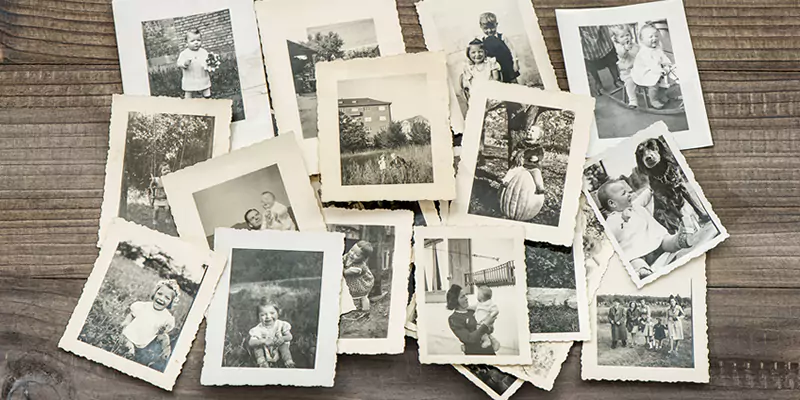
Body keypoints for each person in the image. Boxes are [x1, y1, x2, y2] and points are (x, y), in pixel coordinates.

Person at [596, 179, 692, 277]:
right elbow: (613, 233)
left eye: (628, 191)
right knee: (636, 262)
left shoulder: (634, 206)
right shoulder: (613, 220)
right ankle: (643, 270)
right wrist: (623, 219)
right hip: (637, 254)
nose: (629, 194)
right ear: (612, 203)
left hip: (656, 243)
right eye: (624, 193)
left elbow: (644, 198)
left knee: (666, 241)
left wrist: (651, 189)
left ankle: (679, 240)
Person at [120, 279, 178, 370]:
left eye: (167, 298)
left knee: (165, 338)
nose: (161, 298)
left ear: (171, 302)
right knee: (129, 348)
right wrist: (126, 322)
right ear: (154, 293)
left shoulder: (167, 317)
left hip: (146, 342)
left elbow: (164, 332)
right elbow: (131, 314)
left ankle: (164, 357)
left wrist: (163, 330)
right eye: (159, 294)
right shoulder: (143, 306)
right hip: (129, 336)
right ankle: (129, 355)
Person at [632, 24, 678, 109]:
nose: (654, 38)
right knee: (654, 83)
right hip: (643, 73)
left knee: (665, 77)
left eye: (656, 36)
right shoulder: (644, 52)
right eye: (650, 37)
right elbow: (652, 65)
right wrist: (660, 70)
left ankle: (662, 94)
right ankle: (653, 100)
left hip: (654, 68)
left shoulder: (657, 47)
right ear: (642, 40)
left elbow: (662, 56)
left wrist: (667, 63)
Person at [447, 284, 496, 355]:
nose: (466, 298)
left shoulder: (472, 311)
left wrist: (490, 326)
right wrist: (486, 324)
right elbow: (469, 339)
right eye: (462, 297)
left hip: (489, 350)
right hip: (474, 353)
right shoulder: (454, 319)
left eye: (465, 295)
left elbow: (489, 330)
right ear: (455, 301)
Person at [248, 299, 295, 368]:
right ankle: (262, 362)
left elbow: (290, 337)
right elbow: (251, 342)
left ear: (278, 313)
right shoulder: (258, 329)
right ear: (258, 316)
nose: (268, 317)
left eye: (272, 313)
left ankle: (288, 361)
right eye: (263, 315)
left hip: (278, 347)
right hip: (265, 348)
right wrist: (263, 341)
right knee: (257, 346)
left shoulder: (281, 324)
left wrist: (282, 338)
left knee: (283, 345)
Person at [580, 26, 621, 96]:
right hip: (586, 38)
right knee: (591, 65)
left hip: (601, 33)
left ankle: (617, 79)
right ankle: (598, 83)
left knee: (611, 59)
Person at [479, 13, 519, 84]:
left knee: (513, 83)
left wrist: (515, 63)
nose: (489, 30)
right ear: (481, 27)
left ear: (496, 24)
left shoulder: (502, 37)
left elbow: (512, 50)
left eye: (492, 27)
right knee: (499, 84)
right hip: (495, 68)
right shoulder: (482, 41)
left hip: (507, 65)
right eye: (486, 28)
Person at [609, 24, 640, 108]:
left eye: (627, 35)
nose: (626, 37)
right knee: (630, 82)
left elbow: (640, 52)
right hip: (627, 72)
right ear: (616, 39)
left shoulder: (635, 45)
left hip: (639, 69)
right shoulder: (620, 48)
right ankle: (633, 100)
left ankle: (656, 96)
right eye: (622, 36)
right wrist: (625, 48)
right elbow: (622, 54)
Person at [342, 241, 375, 320]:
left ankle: (365, 311)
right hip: (353, 282)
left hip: (362, 282)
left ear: (364, 258)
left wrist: (345, 271)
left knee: (363, 296)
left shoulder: (360, 267)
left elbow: (347, 273)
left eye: (357, 255)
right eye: (352, 250)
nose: (352, 254)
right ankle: (355, 310)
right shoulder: (347, 257)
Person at [177, 29, 212, 99]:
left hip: (202, 76)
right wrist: (184, 64)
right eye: (192, 41)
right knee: (188, 91)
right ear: (186, 43)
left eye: (198, 40)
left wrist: (211, 64)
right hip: (190, 78)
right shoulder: (184, 53)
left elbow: (209, 60)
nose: (196, 43)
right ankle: (188, 103)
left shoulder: (204, 52)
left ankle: (208, 100)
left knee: (206, 89)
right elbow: (179, 63)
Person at [473, 286, 500, 351]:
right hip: (482, 324)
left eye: (478, 294)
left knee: (480, 331)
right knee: (485, 333)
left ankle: (487, 341)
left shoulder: (490, 303)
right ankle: (494, 341)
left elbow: (496, 310)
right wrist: (467, 307)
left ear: (482, 296)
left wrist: (491, 316)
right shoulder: (479, 304)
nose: (477, 295)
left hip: (486, 324)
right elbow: (474, 307)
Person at [148, 163, 171, 229]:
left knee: (167, 209)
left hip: (164, 198)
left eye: (168, 169)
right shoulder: (157, 179)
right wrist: (152, 183)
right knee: (156, 209)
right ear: (160, 171)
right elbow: (151, 187)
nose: (166, 171)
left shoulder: (170, 179)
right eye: (164, 170)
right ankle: (154, 221)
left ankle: (167, 222)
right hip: (157, 198)